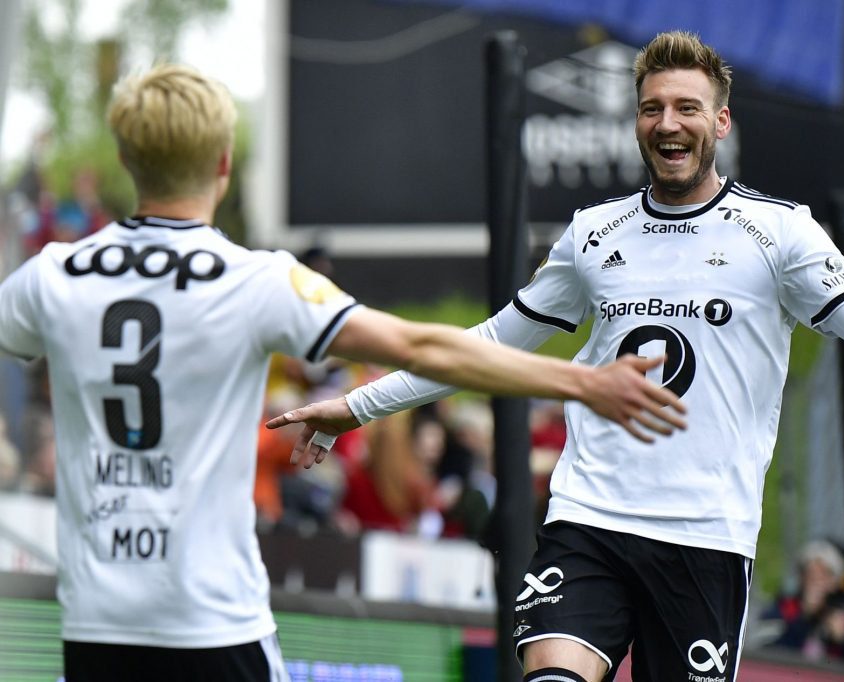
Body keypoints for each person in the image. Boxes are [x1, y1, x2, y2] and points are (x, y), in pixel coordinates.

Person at [269, 31, 844, 682]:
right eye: (652, 108)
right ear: (636, 120)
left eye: (687, 108)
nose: (668, 124)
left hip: (706, 538)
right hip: (589, 519)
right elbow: (488, 345)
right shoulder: (594, 234)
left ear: (720, 122)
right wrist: (356, 406)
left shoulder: (780, 233)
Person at [0, 64, 685, 682]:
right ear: (224, 162)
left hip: (96, 626)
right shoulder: (253, 280)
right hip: (212, 623)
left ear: (125, 159)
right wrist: (583, 381)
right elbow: (421, 345)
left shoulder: (55, 276)